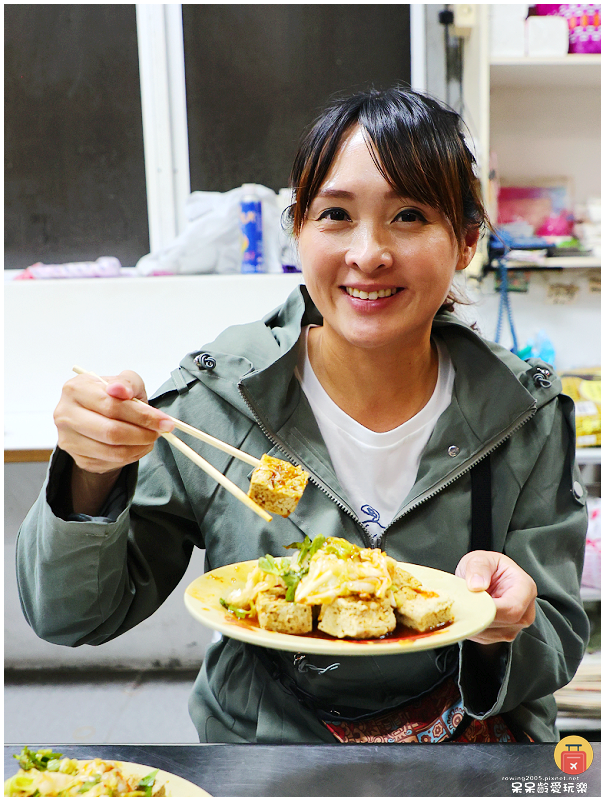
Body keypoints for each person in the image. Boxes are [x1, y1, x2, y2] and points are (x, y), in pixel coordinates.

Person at [17, 87, 589, 744]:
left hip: (468, 756)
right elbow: (71, 618)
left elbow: (557, 635)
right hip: (268, 755)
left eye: (407, 215)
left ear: (463, 242)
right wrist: (89, 472)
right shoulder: (220, 395)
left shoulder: (525, 412)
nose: (368, 253)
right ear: (297, 230)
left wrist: (501, 630)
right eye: (336, 215)